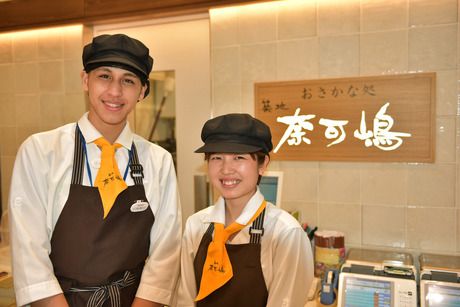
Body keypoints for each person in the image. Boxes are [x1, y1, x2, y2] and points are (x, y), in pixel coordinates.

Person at [9, 34, 181, 307]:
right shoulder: (41, 151)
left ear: (142, 91)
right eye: (104, 76)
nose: (115, 91)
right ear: (86, 80)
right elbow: (29, 253)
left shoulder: (158, 161)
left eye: (128, 81)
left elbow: (166, 253)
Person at [175, 113, 313, 307]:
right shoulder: (196, 226)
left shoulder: (285, 234)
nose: (226, 169)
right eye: (217, 158)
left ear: (262, 164)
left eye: (238, 157)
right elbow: (185, 301)